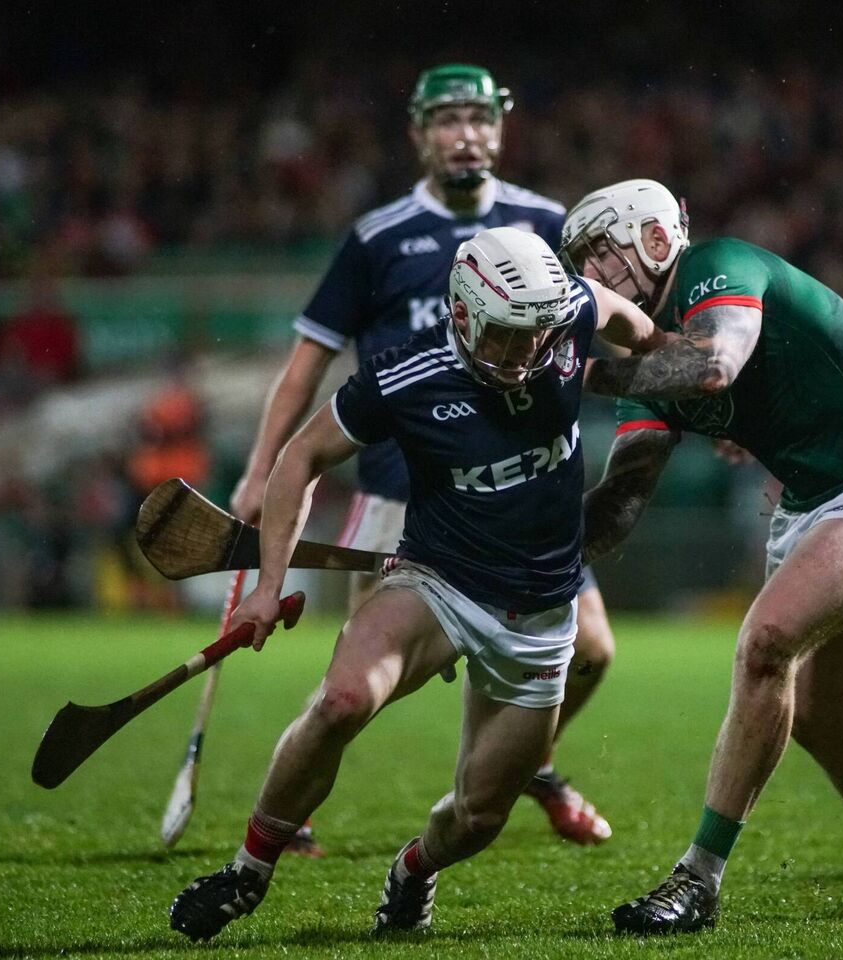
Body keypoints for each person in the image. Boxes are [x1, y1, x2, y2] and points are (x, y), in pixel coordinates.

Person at [169, 228, 664, 943]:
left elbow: (630, 322)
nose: (525, 355)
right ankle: (248, 871)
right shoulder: (406, 377)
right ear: (462, 315)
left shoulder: (565, 315)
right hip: (437, 583)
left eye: (536, 336)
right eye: (505, 336)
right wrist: (266, 585)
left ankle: (413, 869)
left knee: (478, 817)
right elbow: (301, 456)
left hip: (542, 619)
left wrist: (669, 361)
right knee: (339, 701)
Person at [561, 180, 843, 932]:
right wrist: (527, 562)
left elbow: (714, 364)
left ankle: (698, 880)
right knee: (821, 719)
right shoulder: (646, 360)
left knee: (766, 643)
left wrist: (572, 376)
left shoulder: (718, 264)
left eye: (599, 257)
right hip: (817, 497)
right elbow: (621, 501)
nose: (590, 283)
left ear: (652, 238)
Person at [231, 64, 614, 849]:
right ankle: (292, 801)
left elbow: (605, 330)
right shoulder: (377, 238)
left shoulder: (545, 222)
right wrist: (257, 467)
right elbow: (306, 368)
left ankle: (521, 767)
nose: (467, 133)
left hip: (521, 492)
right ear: (418, 134)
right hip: (395, 495)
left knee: (595, 651)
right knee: (358, 683)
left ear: (502, 127)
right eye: (448, 120)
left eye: (480, 118)